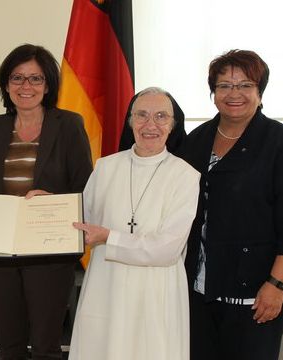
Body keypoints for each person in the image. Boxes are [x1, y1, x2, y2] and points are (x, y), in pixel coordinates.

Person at [0, 44, 92, 359]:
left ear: (48, 84)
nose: (25, 86)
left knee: (45, 346)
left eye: (35, 79)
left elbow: (86, 188)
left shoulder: (68, 125)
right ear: (6, 84)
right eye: (17, 78)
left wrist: (51, 201)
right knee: (8, 346)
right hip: (1, 254)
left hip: (50, 253)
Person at [69, 87, 200, 360]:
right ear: (130, 121)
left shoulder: (185, 175)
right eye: (141, 115)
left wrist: (109, 237)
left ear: (173, 125)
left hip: (156, 291)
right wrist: (46, 205)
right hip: (107, 286)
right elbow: (80, 221)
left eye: (161, 116)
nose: (150, 124)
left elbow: (168, 249)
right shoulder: (105, 167)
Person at [182, 50, 283, 360]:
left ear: (260, 93)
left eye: (245, 85)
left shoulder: (277, 141)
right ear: (214, 93)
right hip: (198, 290)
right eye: (224, 85)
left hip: (255, 294)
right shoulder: (196, 140)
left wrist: (277, 283)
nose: (234, 93)